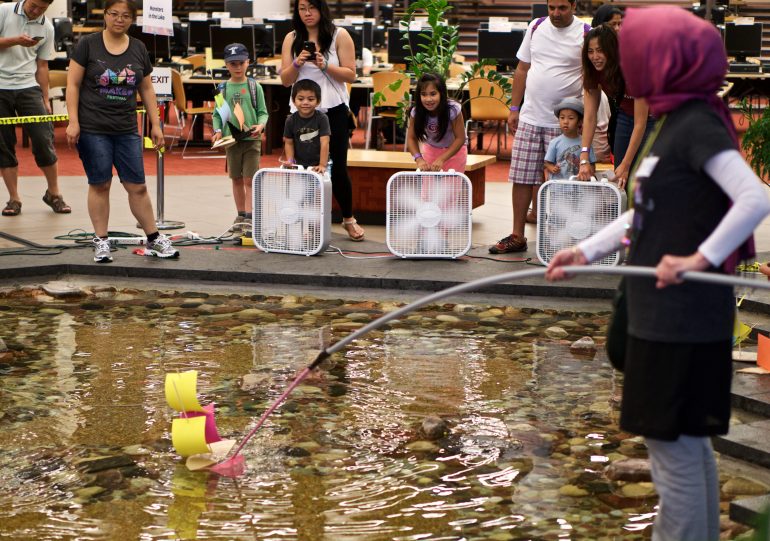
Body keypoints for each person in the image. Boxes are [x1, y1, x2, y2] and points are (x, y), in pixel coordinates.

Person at [546, 7, 770, 539]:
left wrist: (699, 258)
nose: (627, 63)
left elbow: (753, 197)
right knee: (685, 450)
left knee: (673, 454)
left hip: (679, 321)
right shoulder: (678, 122)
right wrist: (586, 251)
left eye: (638, 53)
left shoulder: (695, 124)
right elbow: (645, 211)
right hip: (665, 318)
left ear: (669, 60)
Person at [65, 0, 179, 263]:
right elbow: (72, 84)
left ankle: (154, 238)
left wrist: (157, 125)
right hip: (93, 127)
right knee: (100, 183)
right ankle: (101, 241)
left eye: (126, 16)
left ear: (132, 19)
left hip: (126, 128)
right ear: (104, 15)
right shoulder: (88, 44)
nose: (119, 19)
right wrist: (73, 121)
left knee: (137, 186)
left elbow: (147, 89)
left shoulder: (139, 48)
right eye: (114, 14)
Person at [489, 0, 588, 254]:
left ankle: (560, 238)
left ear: (574, 6)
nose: (556, 13)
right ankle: (517, 235)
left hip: (565, 125)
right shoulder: (536, 26)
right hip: (531, 118)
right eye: (552, 7)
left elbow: (590, 81)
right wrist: (514, 108)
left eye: (562, 8)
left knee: (563, 183)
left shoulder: (585, 33)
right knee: (522, 178)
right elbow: (522, 69)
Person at [280, 0, 364, 241]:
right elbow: (286, 80)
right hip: (302, 113)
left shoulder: (340, 35)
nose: (307, 13)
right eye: (302, 8)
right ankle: (307, 222)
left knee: (338, 168)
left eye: (312, 7)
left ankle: (348, 219)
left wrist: (325, 65)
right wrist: (298, 62)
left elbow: (351, 74)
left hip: (334, 109)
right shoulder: (292, 38)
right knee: (304, 168)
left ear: (322, 8)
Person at [0, 0, 70, 217]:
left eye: (43, 8)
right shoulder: (3, 11)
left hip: (28, 86)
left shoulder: (46, 27)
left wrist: (46, 98)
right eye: (34, 5)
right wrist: (16, 40)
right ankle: (14, 199)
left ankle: (54, 194)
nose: (36, 11)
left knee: (43, 139)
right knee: (3, 145)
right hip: (0, 86)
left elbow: (42, 65)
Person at [578, 24, 655, 188]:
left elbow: (640, 123)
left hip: (654, 119)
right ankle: (625, 213)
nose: (595, 56)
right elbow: (590, 117)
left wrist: (627, 165)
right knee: (620, 178)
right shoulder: (592, 71)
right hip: (625, 116)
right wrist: (583, 156)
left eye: (600, 50)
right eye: (590, 51)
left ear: (612, 50)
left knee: (642, 178)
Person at [211, 43, 268, 234]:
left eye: (241, 63)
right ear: (226, 65)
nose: (237, 67)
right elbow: (218, 115)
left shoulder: (254, 86)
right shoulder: (222, 88)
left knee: (249, 180)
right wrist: (218, 130)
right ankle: (241, 214)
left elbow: (263, 113)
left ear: (248, 63)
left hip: (251, 140)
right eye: (232, 63)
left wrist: (260, 126)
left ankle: (250, 217)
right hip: (231, 141)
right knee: (236, 179)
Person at [406, 73, 467, 173]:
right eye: (424, 94)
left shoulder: (453, 109)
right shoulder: (416, 112)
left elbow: (460, 138)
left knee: (452, 188)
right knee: (429, 188)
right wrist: (419, 159)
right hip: (431, 151)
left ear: (441, 93)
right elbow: (411, 138)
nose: (428, 99)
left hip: (454, 152)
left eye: (433, 94)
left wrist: (442, 158)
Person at [283, 79, 330, 174]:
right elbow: (289, 143)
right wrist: (291, 162)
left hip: (319, 164)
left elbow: (325, 143)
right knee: (299, 188)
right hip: (299, 165)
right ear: (293, 100)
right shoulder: (290, 120)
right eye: (300, 99)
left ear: (318, 101)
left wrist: (322, 164)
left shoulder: (322, 118)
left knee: (321, 187)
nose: (305, 102)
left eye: (310, 99)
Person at [544, 97, 595, 180]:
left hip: (580, 187)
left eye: (571, 118)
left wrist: (590, 174)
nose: (565, 122)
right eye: (562, 118)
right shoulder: (554, 142)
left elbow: (592, 164)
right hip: (559, 187)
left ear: (580, 122)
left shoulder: (586, 143)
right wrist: (552, 168)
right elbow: (547, 163)